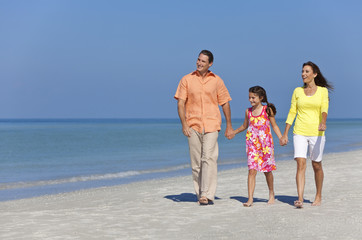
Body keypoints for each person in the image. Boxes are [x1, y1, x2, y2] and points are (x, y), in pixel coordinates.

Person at [174, 50, 234, 205]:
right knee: (196, 163)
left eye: (203, 61)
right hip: (192, 125)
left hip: (212, 124)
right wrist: (184, 124)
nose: (199, 63)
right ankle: (200, 192)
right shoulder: (186, 79)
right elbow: (180, 103)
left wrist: (229, 125)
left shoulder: (217, 81)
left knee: (208, 158)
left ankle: (207, 194)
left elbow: (225, 102)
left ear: (210, 64)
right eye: (198, 60)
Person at [280, 61, 333, 208]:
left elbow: (324, 108)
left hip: (317, 132)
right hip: (300, 132)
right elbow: (292, 112)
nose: (303, 74)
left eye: (307, 71)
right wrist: (285, 133)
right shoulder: (297, 91)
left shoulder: (323, 91)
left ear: (314, 74)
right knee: (300, 163)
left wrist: (323, 122)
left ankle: (318, 195)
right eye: (302, 71)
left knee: (316, 164)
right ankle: (300, 198)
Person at [230, 86, 283, 207]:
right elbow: (244, 126)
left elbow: (274, 126)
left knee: (267, 171)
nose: (251, 100)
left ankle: (271, 193)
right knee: (251, 171)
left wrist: (281, 137)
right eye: (249, 97)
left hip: (265, 145)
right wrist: (233, 132)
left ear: (261, 98)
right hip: (252, 144)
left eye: (253, 97)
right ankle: (250, 199)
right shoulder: (248, 111)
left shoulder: (267, 110)